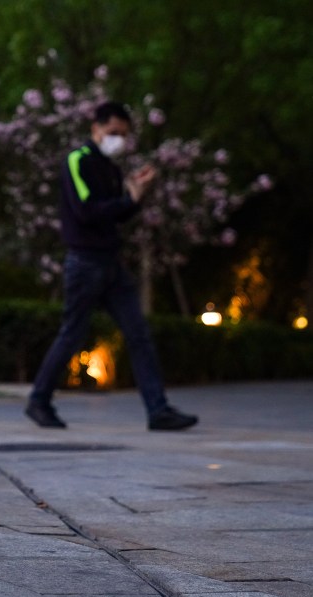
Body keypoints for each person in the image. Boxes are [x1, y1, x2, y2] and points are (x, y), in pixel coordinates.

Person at [24, 101, 198, 432]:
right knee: (72, 334)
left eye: (124, 135)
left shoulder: (113, 170)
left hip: (112, 263)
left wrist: (136, 194)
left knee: (139, 335)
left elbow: (118, 215)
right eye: (113, 132)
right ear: (96, 129)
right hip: (84, 262)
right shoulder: (78, 161)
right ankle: (39, 400)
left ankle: (158, 410)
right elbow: (87, 211)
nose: (119, 139)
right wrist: (127, 200)